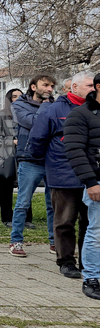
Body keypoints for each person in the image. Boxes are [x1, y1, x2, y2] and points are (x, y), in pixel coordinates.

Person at [28, 71, 93, 278]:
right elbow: (37, 140)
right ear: (74, 87)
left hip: (91, 175)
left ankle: (88, 262)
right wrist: (51, 165)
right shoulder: (54, 109)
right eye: (89, 86)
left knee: (90, 222)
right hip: (64, 173)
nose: (94, 89)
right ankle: (66, 261)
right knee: (65, 221)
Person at [64, 73, 100, 300]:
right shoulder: (80, 114)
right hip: (97, 180)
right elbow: (75, 150)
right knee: (96, 232)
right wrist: (91, 182)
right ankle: (92, 278)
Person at [11, 74, 57, 253]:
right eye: (45, 85)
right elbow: (36, 123)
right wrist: (45, 106)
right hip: (29, 159)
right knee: (23, 202)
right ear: (33, 87)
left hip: (51, 159)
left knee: (53, 204)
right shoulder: (19, 105)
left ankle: (55, 242)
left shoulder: (55, 105)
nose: (49, 89)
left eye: (51, 86)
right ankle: (16, 241)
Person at [0, 89, 22, 229]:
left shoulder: (27, 114)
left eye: (20, 96)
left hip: (24, 153)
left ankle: (26, 218)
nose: (18, 99)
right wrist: (11, 141)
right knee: (6, 187)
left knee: (25, 186)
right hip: (6, 154)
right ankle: (7, 218)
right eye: (14, 96)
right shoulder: (1, 114)